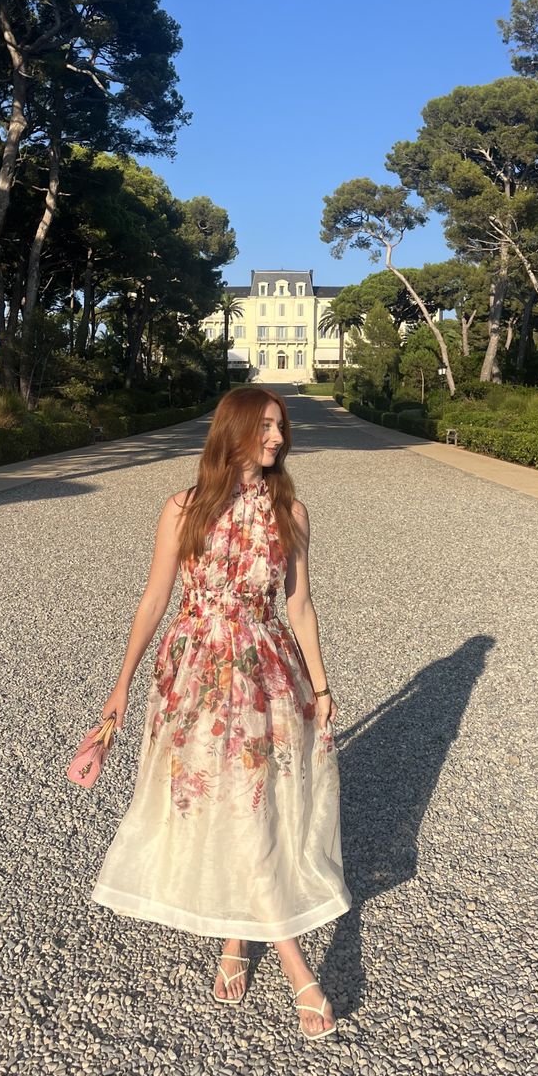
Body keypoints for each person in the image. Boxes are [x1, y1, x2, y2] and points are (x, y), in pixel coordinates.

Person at [91, 386, 351, 1040]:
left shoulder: (292, 512)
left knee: (252, 804)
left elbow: (300, 607)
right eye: (265, 426)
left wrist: (321, 687)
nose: (277, 437)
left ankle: (240, 939)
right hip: (195, 678)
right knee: (229, 805)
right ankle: (297, 968)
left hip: (267, 676)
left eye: (280, 427)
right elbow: (153, 599)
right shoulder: (181, 509)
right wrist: (120, 686)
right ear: (232, 431)